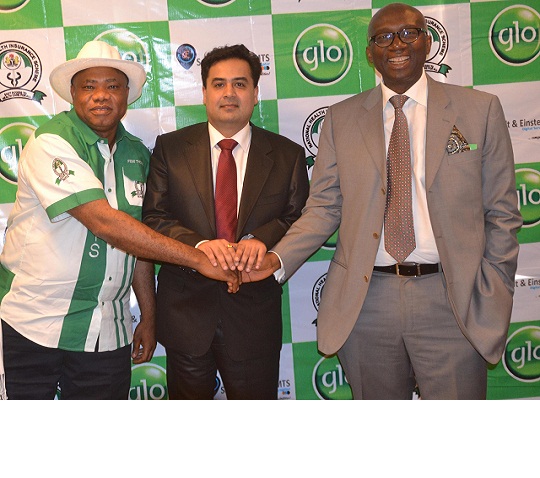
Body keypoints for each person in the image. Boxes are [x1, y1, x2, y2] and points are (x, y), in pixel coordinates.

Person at [241, 3, 522, 399]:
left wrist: (491, 292)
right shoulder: (341, 119)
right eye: (384, 37)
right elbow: (323, 208)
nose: (397, 44)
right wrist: (276, 259)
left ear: (427, 41)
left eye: (408, 32)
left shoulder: (480, 110)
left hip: (453, 300)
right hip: (367, 302)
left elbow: (503, 213)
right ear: (370, 53)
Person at [0, 40, 239, 400]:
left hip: (108, 332)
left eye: (112, 86)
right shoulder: (51, 142)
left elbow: (138, 240)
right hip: (35, 325)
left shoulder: (138, 154)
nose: (101, 96)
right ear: (73, 94)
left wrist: (149, 317)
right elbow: (106, 224)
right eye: (89, 86)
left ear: (127, 95)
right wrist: (199, 258)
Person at [142, 44, 309, 399]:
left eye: (240, 84)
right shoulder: (170, 149)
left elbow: (298, 217)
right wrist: (200, 246)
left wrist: (260, 239)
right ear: (204, 93)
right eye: (219, 84)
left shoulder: (287, 155)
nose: (229, 93)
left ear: (255, 93)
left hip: (253, 317)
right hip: (186, 315)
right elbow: (154, 218)